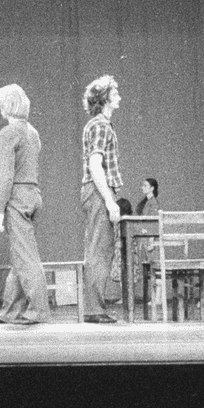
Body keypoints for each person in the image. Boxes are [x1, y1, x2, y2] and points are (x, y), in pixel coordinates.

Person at [0, 84, 50, 325]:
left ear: (6, 106)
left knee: (26, 258)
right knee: (20, 256)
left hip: (17, 196)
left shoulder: (8, 133)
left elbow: (6, 176)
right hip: (33, 194)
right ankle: (10, 311)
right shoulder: (32, 132)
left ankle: (38, 310)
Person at [79, 74, 123, 323]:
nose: (119, 97)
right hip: (98, 192)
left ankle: (95, 306)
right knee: (99, 250)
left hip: (97, 192)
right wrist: (109, 200)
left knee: (99, 249)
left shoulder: (100, 125)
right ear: (104, 98)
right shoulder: (100, 126)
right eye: (115, 94)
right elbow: (96, 165)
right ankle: (94, 309)